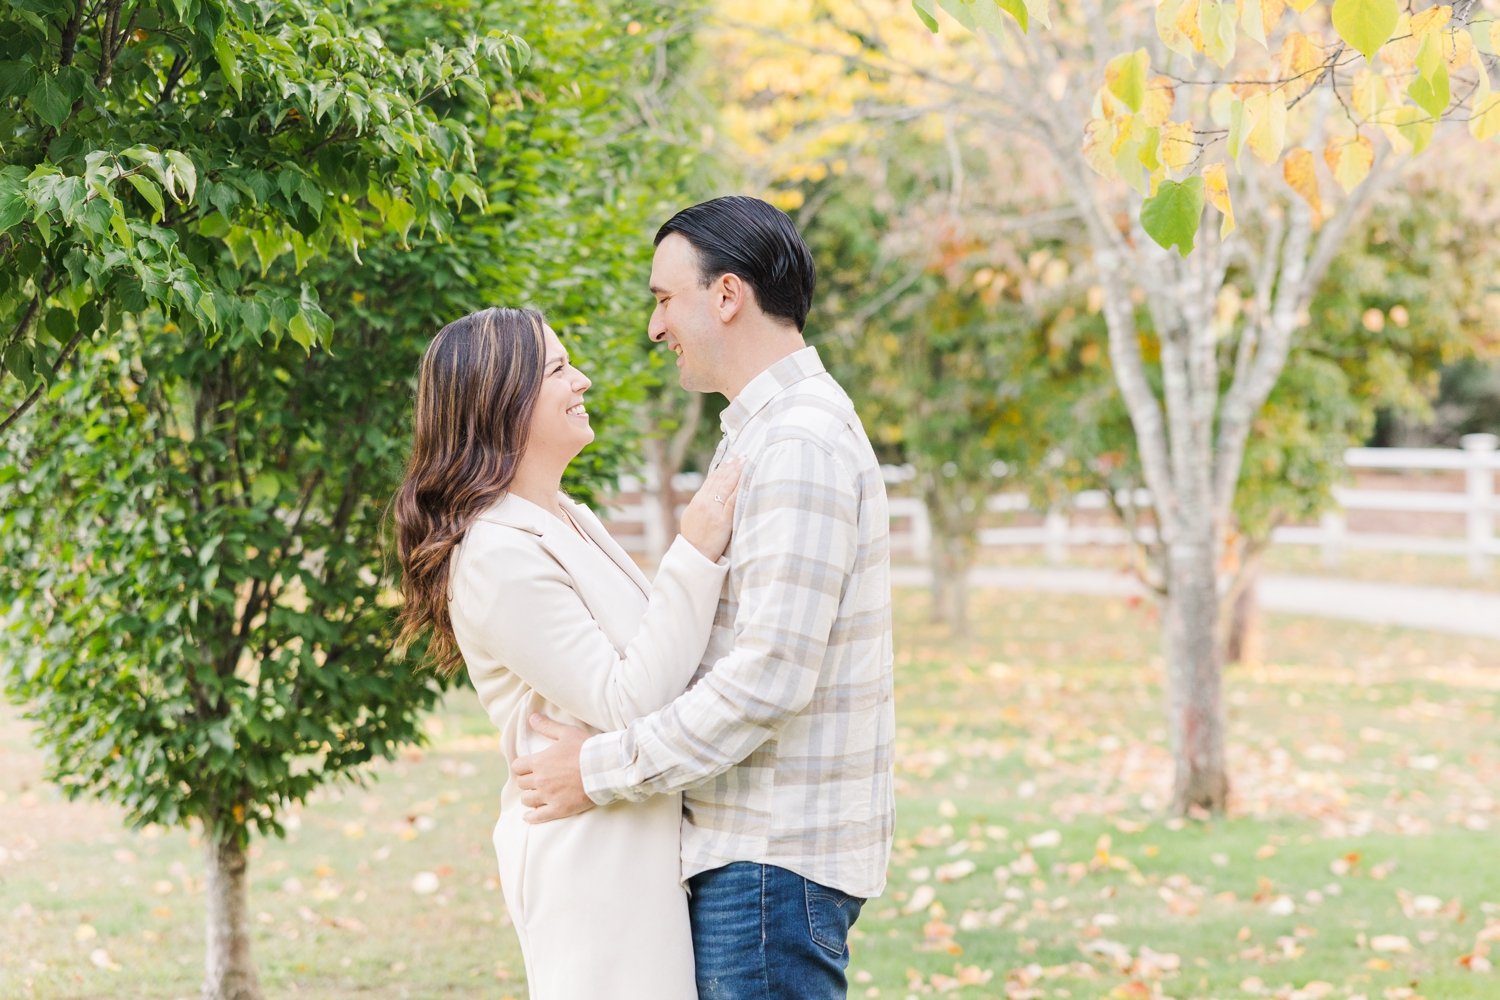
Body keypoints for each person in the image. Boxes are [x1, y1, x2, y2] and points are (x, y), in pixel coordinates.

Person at [513, 196, 896, 1000]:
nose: (656, 328)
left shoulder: (796, 441)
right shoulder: (762, 431)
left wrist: (598, 769)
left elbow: (768, 680)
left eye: (663, 298)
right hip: (751, 858)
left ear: (727, 296)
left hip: (768, 863)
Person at [392, 305, 744, 1000]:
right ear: (504, 402)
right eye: (558, 368)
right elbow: (627, 698)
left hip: (635, 839)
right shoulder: (494, 553)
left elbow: (656, 660)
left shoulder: (567, 516)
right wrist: (697, 548)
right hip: (591, 863)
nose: (581, 381)